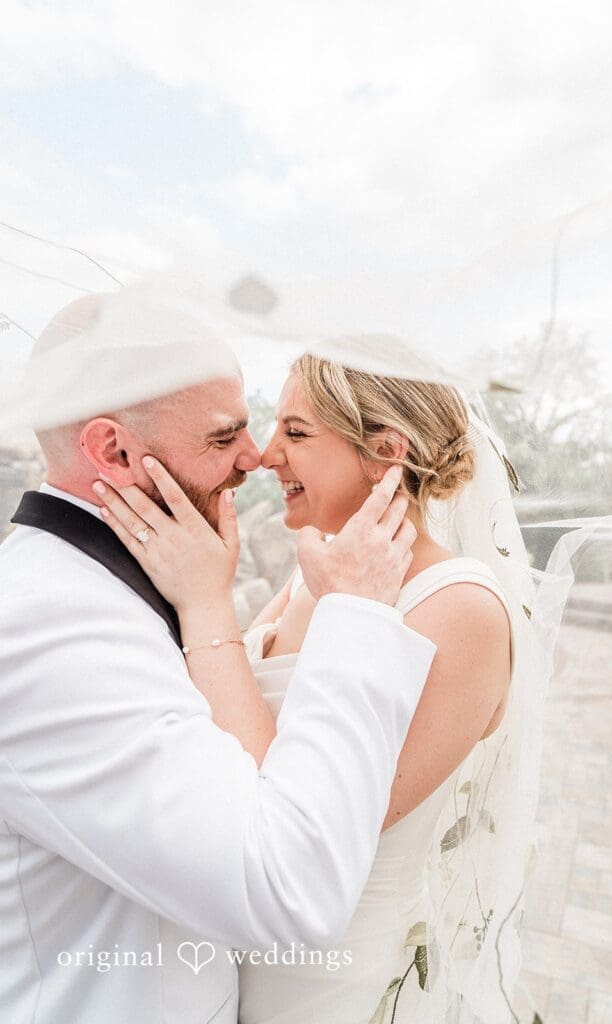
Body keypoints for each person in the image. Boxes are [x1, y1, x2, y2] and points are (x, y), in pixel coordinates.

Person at [0, 293, 438, 1024]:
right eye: (221, 436)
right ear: (110, 450)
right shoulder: (49, 624)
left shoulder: (141, 572)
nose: (252, 458)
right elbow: (288, 888)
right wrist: (355, 614)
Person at [98, 352, 535, 1023]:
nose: (266, 455)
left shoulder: (459, 609)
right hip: (220, 955)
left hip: (323, 983)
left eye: (296, 434)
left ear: (386, 455)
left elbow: (309, 826)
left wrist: (206, 601)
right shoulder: (320, 573)